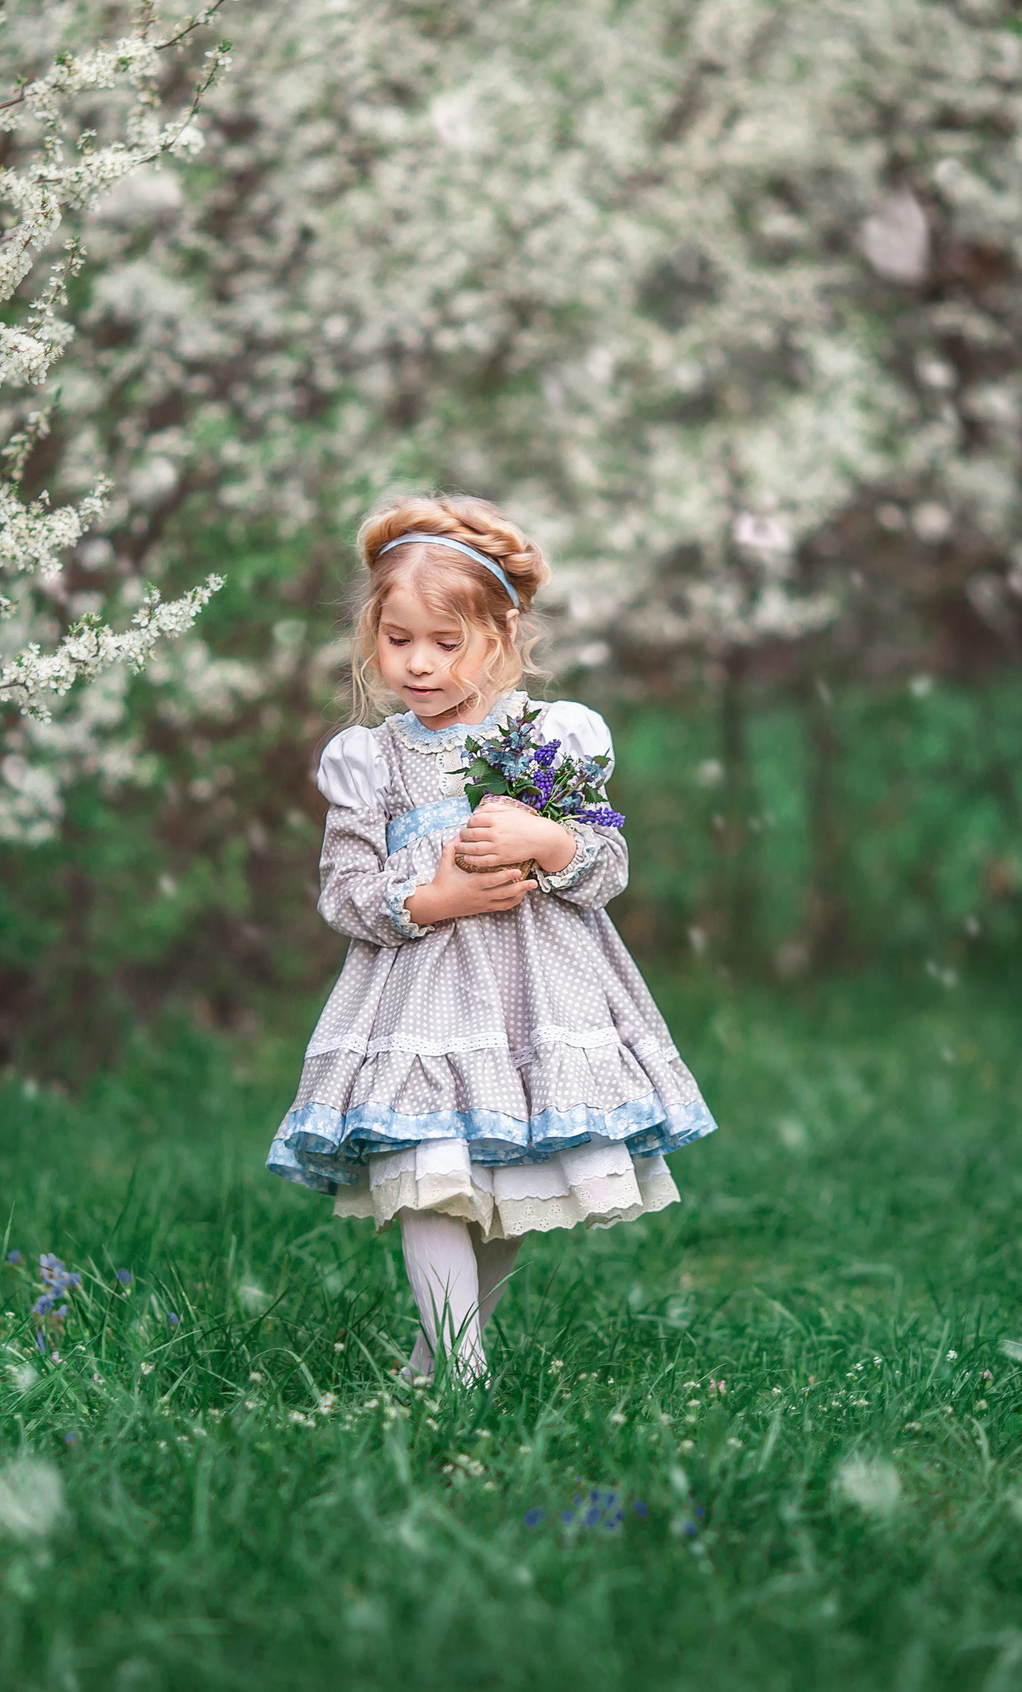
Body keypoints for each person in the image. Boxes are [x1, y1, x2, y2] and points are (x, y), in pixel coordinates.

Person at [266, 494, 716, 1382]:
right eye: (399, 641)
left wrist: (548, 842)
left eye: (447, 641)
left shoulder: (548, 740)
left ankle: (435, 1364)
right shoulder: (372, 759)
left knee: (502, 1193)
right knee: (428, 1169)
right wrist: (435, 896)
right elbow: (346, 894)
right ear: (373, 636)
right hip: (421, 996)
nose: (420, 664)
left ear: (502, 635)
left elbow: (606, 864)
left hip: (532, 997)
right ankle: (463, 1371)